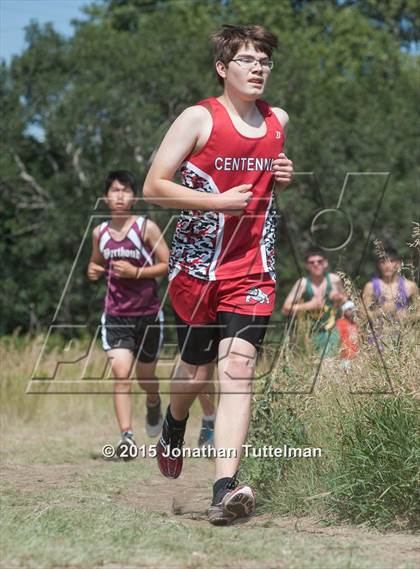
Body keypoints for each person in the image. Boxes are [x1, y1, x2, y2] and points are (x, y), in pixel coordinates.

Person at [143, 24, 293, 525]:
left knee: (239, 369)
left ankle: (224, 488)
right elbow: (154, 187)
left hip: (252, 267)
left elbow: (262, 183)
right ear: (222, 68)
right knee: (195, 371)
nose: (258, 68)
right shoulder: (198, 118)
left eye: (264, 61)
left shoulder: (278, 121)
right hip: (197, 267)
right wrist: (215, 202)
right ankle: (174, 420)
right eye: (248, 60)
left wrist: (281, 175)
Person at [87, 170, 169, 458]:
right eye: (114, 190)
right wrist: (93, 271)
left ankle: (153, 400)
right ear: (106, 196)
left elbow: (167, 264)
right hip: (116, 314)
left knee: (146, 378)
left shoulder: (146, 228)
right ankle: (127, 437)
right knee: (121, 374)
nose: (119, 195)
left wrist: (136, 272)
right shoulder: (100, 233)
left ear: (134, 196)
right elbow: (94, 265)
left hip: (147, 314)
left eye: (125, 190)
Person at [281, 249, 346, 356]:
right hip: (309, 334)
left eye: (319, 261)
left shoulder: (334, 280)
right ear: (307, 265)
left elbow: (345, 300)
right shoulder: (302, 283)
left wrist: (338, 298)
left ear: (325, 263)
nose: (316, 265)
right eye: (312, 262)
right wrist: (308, 305)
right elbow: (285, 309)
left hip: (332, 330)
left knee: (331, 364)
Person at [362, 247, 418, 346]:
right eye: (383, 262)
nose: (387, 266)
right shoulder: (370, 287)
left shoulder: (410, 286)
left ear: (399, 263)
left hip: (403, 338)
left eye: (391, 261)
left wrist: (408, 317)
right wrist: (379, 313)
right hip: (378, 338)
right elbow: (362, 313)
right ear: (379, 265)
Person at [335, 300, 359, 369]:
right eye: (349, 309)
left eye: (353, 309)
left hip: (355, 357)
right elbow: (337, 340)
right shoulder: (340, 323)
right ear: (344, 311)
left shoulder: (354, 324)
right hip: (345, 358)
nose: (352, 311)